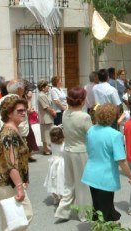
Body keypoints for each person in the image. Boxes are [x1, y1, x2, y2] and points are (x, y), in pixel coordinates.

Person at [82, 103, 131, 222]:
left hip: (91, 172)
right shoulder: (115, 135)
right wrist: (130, 175)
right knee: (105, 207)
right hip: (105, 175)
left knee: (98, 205)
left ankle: (102, 224)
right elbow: (121, 160)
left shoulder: (91, 130)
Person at [0, 95, 33, 230]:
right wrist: (19, 187)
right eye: (19, 110)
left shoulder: (13, 129)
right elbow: (11, 164)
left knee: (9, 220)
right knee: (25, 215)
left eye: (24, 110)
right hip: (7, 183)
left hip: (3, 181)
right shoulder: (9, 133)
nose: (24, 112)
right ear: (8, 113)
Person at [55, 87, 92, 222]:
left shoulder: (65, 113)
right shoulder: (84, 117)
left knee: (69, 183)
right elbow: (90, 135)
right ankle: (85, 214)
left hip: (68, 150)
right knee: (83, 185)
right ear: (82, 100)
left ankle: (63, 211)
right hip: (81, 151)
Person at [44, 126, 65, 205]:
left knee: (53, 179)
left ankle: (55, 197)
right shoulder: (63, 144)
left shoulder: (51, 143)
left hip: (53, 163)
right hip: (62, 163)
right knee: (61, 180)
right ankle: (63, 197)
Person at [37, 80, 56, 155]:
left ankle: (47, 148)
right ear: (42, 88)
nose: (48, 87)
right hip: (45, 117)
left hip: (48, 117)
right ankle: (45, 149)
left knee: (48, 133)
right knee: (45, 134)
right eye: (46, 86)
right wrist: (53, 112)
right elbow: (46, 107)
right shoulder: (41, 95)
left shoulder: (44, 95)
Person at [22, 80, 39, 162]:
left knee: (30, 137)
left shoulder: (23, 96)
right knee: (29, 137)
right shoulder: (23, 97)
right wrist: (29, 99)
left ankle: (28, 155)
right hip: (23, 121)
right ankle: (27, 156)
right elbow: (28, 110)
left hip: (26, 120)